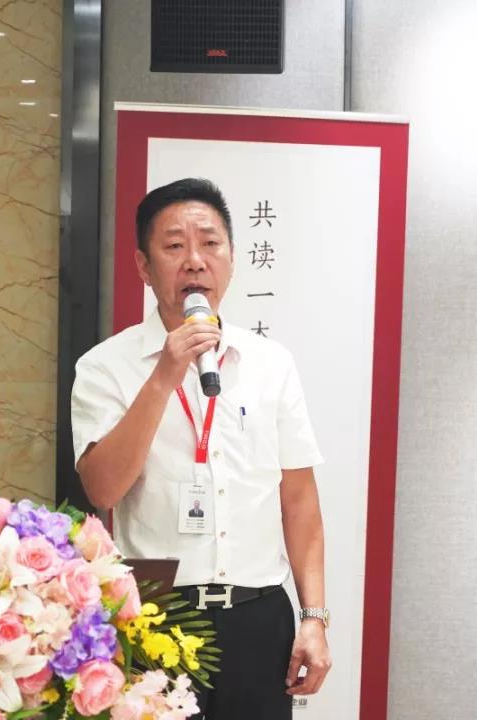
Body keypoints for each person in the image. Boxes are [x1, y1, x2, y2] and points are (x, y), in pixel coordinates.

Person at [70, 178, 331, 719]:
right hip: (158, 613)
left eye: (210, 243)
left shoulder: (271, 363)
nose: (195, 260)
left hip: (259, 614)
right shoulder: (104, 367)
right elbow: (102, 489)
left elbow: (299, 502)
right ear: (144, 267)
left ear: (231, 258)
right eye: (174, 246)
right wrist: (164, 374)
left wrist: (314, 617)